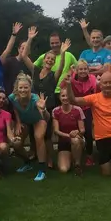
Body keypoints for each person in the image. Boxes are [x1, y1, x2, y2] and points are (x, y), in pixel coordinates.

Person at [19, 26, 70, 168]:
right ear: (44, 59)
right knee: (33, 133)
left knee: (47, 136)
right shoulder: (35, 71)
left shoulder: (53, 76)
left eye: (52, 59)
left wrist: (63, 53)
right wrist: (29, 38)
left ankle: (49, 159)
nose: (49, 61)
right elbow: (24, 56)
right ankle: (35, 157)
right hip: (33, 107)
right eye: (48, 58)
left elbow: (61, 67)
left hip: (48, 107)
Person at [8, 74, 50, 182]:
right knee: (16, 142)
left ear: (30, 87)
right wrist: (18, 122)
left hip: (38, 120)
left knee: (38, 137)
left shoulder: (35, 98)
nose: (23, 90)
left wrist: (44, 109)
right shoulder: (12, 97)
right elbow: (15, 109)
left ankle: (42, 170)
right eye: (20, 87)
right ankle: (27, 162)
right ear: (17, 88)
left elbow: (47, 117)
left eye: (26, 87)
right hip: (24, 121)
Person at [68, 60, 98, 166]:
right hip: (74, 108)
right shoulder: (72, 79)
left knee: (88, 131)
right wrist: (69, 75)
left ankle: (90, 155)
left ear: (88, 70)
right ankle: (74, 154)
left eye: (85, 69)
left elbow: (95, 93)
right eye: (80, 69)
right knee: (73, 131)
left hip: (88, 108)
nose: (83, 71)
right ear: (76, 70)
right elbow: (63, 85)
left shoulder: (92, 79)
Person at [52, 88, 86, 176]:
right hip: (64, 141)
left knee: (75, 141)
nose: (65, 98)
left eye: (67, 95)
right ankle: (71, 157)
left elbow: (82, 130)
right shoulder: (55, 111)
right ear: (59, 97)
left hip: (77, 139)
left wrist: (77, 132)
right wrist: (69, 135)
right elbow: (56, 130)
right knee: (63, 169)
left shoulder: (78, 110)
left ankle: (77, 164)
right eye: (63, 96)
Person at [31, 32, 78, 96]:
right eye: (52, 43)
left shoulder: (69, 55)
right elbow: (33, 69)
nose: (54, 45)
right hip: (48, 92)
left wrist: (71, 72)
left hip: (64, 92)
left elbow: (78, 69)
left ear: (61, 43)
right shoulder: (44, 57)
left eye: (56, 43)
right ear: (49, 44)